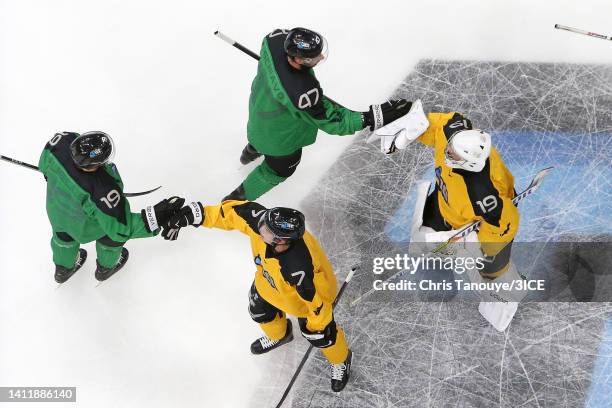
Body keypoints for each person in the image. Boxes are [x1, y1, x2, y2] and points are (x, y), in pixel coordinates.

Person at [162, 200, 352, 392]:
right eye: (263, 225)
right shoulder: (262, 223)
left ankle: (341, 359)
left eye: (267, 232)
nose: (259, 230)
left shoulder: (300, 270)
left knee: (324, 337)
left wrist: (316, 328)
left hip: (301, 303)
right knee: (259, 312)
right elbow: (230, 214)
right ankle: (280, 335)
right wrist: (197, 214)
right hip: (267, 285)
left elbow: (318, 305)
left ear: (282, 241)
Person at [373, 104, 524, 331]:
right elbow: (441, 124)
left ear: (468, 162)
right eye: (450, 146)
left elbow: (504, 224)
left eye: (452, 153)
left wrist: (483, 248)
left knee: (489, 270)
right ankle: (439, 265)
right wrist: (417, 128)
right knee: (422, 241)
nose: (447, 150)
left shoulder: (483, 197)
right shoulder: (455, 134)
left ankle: (511, 286)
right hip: (442, 204)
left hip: (468, 223)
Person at [223, 27, 412, 201]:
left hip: (259, 117)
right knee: (277, 170)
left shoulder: (273, 40)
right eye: (313, 58)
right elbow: (333, 122)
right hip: (280, 141)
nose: (320, 57)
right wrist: (370, 117)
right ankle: (234, 201)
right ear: (297, 60)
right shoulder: (301, 94)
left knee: (258, 140)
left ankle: (247, 155)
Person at [38, 131, 184, 283]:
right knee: (110, 238)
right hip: (85, 227)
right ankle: (105, 268)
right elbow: (121, 229)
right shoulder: (102, 191)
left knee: (63, 238)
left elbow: (43, 167)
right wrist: (156, 217)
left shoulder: (60, 144)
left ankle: (63, 270)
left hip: (57, 214)